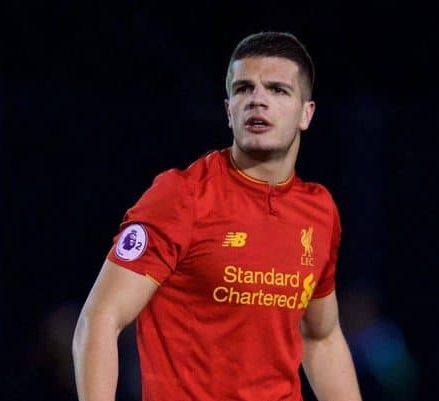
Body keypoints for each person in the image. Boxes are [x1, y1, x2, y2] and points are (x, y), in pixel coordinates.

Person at [72, 31, 363, 401]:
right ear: (229, 110)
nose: (257, 100)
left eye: (277, 90)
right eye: (244, 89)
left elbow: (321, 336)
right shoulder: (182, 196)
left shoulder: (319, 210)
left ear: (306, 113)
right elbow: (99, 320)